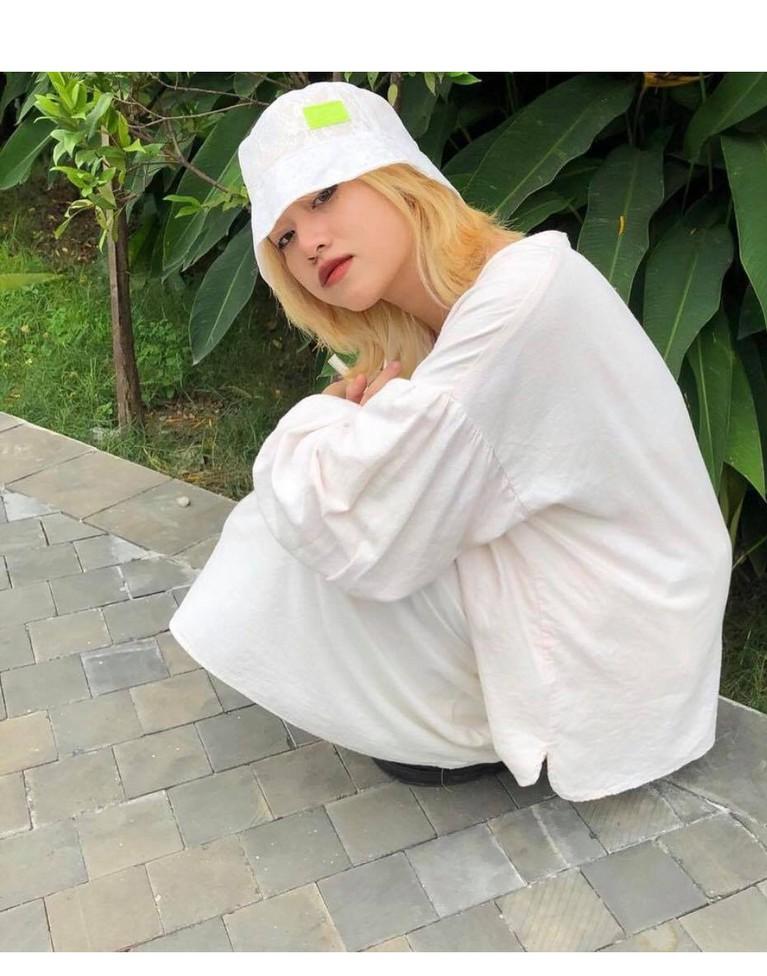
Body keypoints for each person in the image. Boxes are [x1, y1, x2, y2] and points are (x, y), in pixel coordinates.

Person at [168, 79, 734, 801]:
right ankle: (450, 717)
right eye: (282, 237)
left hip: (625, 628)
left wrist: (315, 422)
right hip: (615, 591)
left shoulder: (516, 301)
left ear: (395, 177)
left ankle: (456, 729)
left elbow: (362, 520)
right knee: (314, 507)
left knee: (292, 525)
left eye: (324, 194)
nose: (308, 242)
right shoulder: (460, 310)